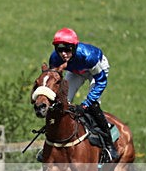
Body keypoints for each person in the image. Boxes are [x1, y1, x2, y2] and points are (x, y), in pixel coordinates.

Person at [48, 27, 119, 162]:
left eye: (68, 49)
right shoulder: (54, 58)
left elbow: (100, 81)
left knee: (93, 105)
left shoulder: (88, 56)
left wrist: (86, 104)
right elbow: (53, 80)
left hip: (96, 70)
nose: (63, 54)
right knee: (60, 102)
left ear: (74, 47)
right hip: (75, 71)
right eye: (59, 49)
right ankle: (52, 141)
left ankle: (109, 145)